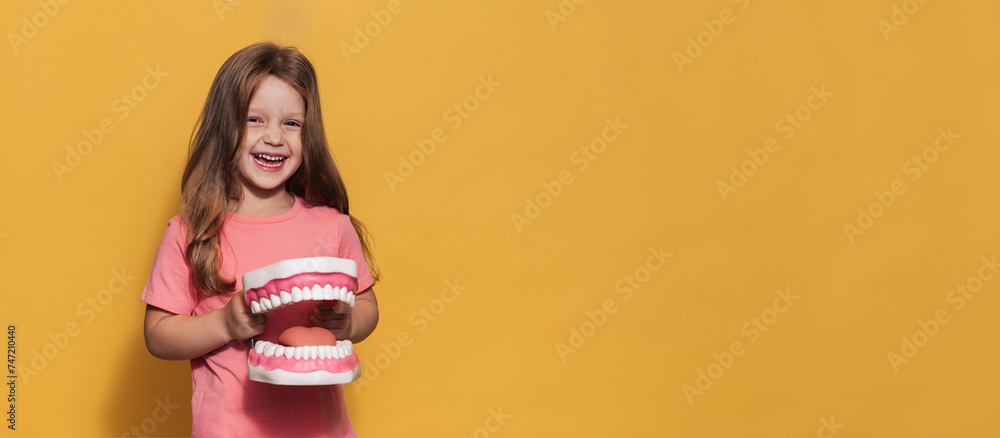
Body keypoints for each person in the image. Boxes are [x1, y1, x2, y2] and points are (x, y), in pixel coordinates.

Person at [140, 41, 380, 437]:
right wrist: (224, 324)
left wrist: (348, 321)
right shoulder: (191, 231)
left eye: (291, 123)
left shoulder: (332, 227)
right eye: (254, 119)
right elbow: (158, 334)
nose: (274, 137)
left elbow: (368, 304)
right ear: (224, 126)